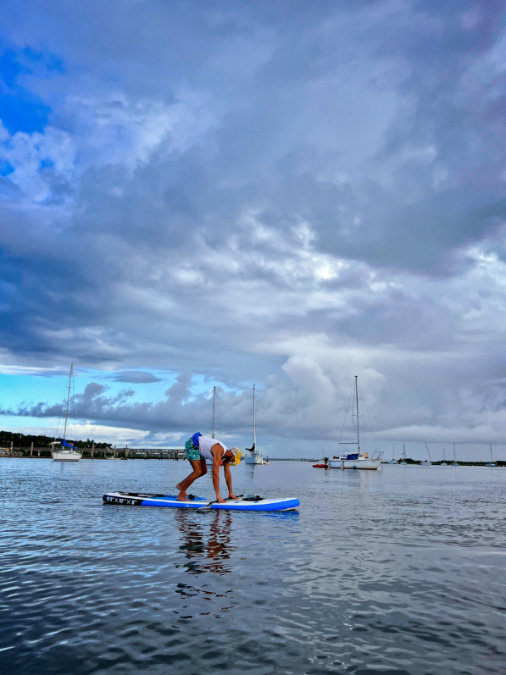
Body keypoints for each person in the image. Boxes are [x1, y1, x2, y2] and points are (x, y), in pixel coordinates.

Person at [176, 433, 241, 503]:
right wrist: (218, 496)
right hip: (193, 444)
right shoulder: (219, 451)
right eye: (234, 459)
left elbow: (228, 475)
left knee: (204, 471)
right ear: (232, 454)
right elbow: (215, 474)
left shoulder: (226, 457)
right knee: (197, 471)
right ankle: (181, 494)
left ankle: (180, 485)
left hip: (199, 448)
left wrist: (230, 493)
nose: (232, 462)